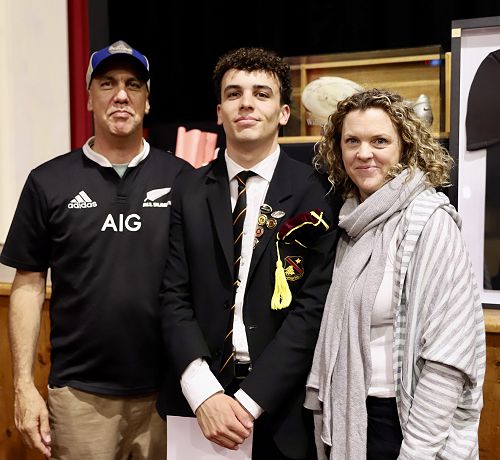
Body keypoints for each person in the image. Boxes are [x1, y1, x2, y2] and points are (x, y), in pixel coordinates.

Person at [0, 40, 191, 459]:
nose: (121, 95)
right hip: (80, 397)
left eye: (133, 85)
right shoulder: (48, 181)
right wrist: (24, 386)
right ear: (88, 98)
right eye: (107, 83)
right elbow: (28, 284)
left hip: (169, 393)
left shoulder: (182, 179)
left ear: (147, 100)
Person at [156, 47, 341, 460]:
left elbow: (313, 309)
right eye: (234, 93)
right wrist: (204, 393)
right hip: (197, 403)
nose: (246, 103)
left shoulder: (317, 192)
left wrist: (250, 401)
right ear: (219, 112)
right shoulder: (187, 189)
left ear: (284, 112)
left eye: (261, 93)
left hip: (280, 406)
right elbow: (173, 295)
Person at [304, 88, 486, 459]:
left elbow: (448, 356)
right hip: (354, 416)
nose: (363, 153)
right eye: (352, 141)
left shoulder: (430, 222)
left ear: (405, 147)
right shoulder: (351, 223)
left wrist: (417, 450)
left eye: (380, 141)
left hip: (406, 423)